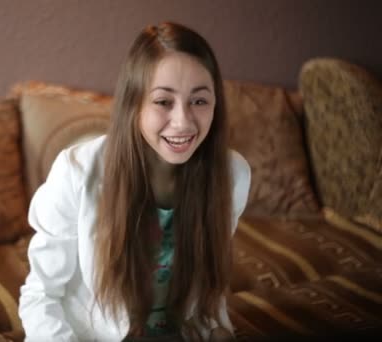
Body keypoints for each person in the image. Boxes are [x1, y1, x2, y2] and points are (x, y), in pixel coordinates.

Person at [18, 21, 251, 342]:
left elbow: (206, 289)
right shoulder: (76, 172)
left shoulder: (232, 174)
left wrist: (215, 327)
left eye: (199, 101)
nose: (183, 121)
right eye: (163, 101)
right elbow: (40, 294)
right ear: (134, 104)